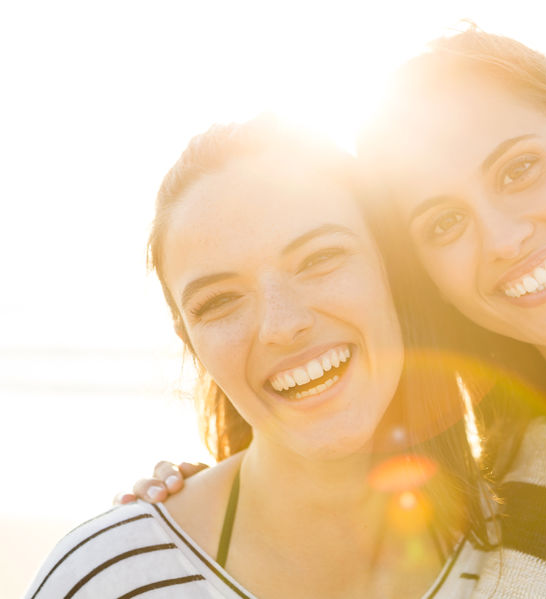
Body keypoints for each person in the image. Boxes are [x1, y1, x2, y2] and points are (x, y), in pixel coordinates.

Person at [134, 29, 546, 598]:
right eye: (445, 221)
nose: (503, 238)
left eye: (519, 169)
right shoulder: (493, 480)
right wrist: (179, 511)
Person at [25, 116, 519, 599]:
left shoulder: (531, 549)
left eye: (319, 259)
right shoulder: (106, 580)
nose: (283, 326)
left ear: (391, 267)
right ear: (189, 338)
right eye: (219, 301)